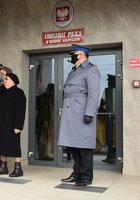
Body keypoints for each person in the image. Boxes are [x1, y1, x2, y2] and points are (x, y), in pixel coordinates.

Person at [58, 44, 100, 186]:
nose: (72, 56)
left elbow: (94, 94)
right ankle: (76, 173)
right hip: (71, 112)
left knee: (84, 146)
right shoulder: (74, 71)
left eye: (73, 53)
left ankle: (86, 176)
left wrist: (89, 113)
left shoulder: (91, 69)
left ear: (81, 55)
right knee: (73, 145)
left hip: (81, 112)